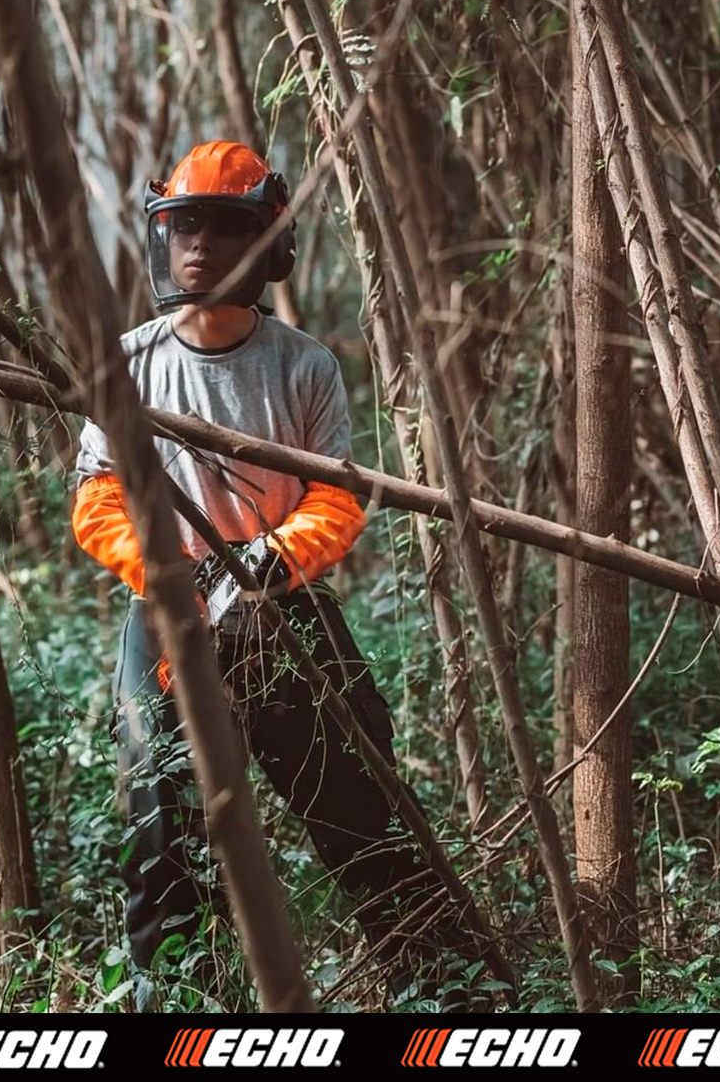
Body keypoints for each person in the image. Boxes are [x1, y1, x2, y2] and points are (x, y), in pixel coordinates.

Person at [71, 141, 479, 1011]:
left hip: (282, 612)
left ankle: (449, 992)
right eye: (184, 224)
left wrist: (266, 565)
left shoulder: (304, 366)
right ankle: (179, 1005)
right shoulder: (129, 363)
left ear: (269, 246)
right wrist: (170, 576)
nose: (200, 245)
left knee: (362, 811)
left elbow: (334, 499)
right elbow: (96, 502)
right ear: (161, 232)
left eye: (226, 227)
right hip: (167, 618)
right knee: (163, 831)